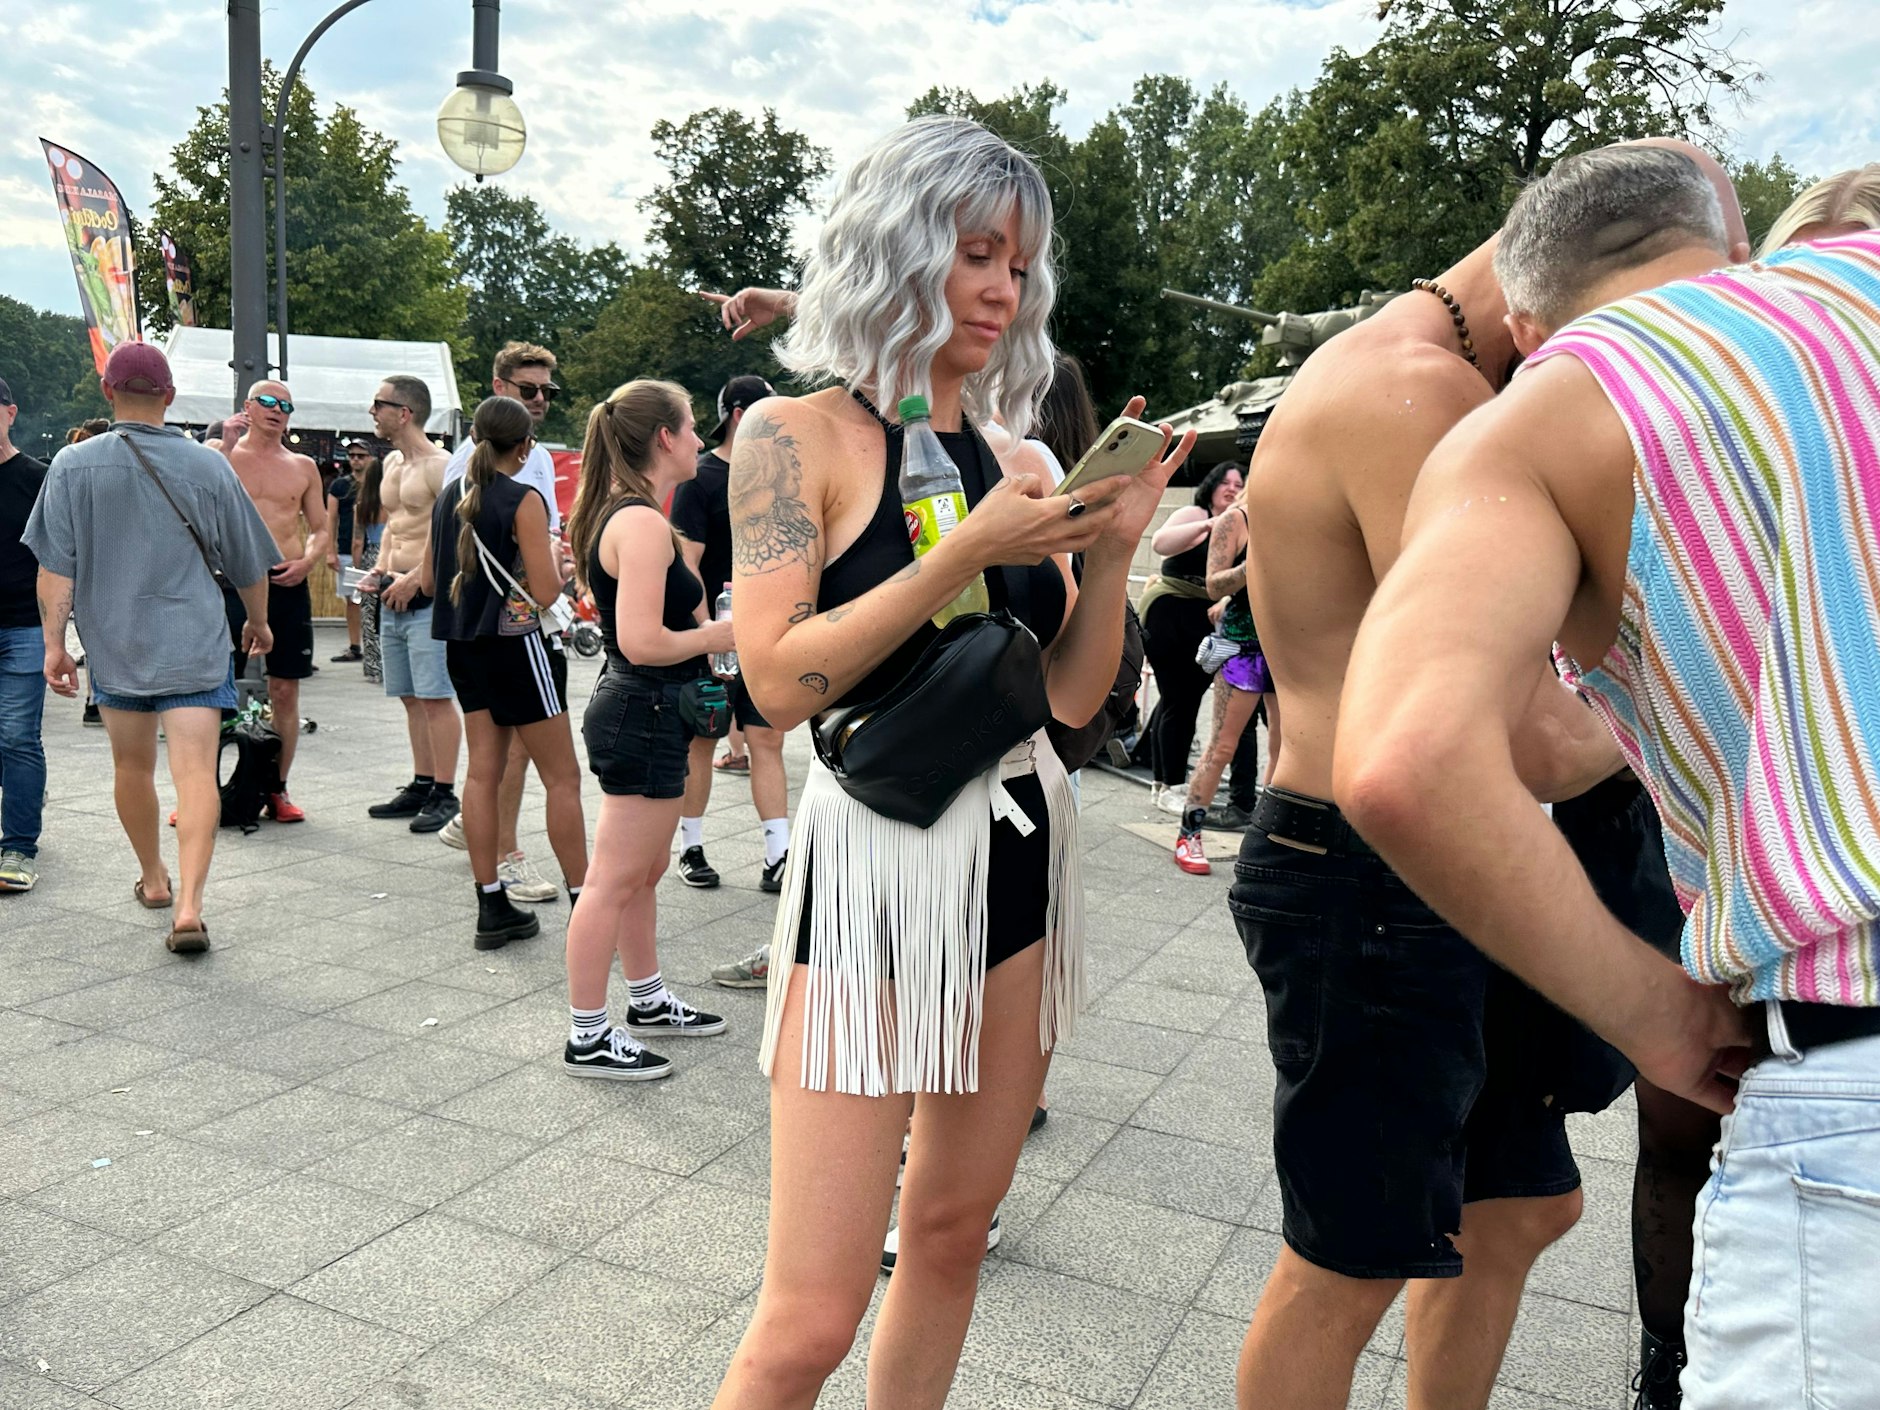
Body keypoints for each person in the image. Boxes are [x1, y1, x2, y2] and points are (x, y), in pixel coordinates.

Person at [1335, 145, 1880, 1410]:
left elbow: (1410, 757)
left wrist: (1658, 1014)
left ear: (1520, 324)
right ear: (1732, 244)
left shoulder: (1558, 406)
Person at [708, 115, 1191, 1410]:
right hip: (873, 866)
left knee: (949, 1236)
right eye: (976, 251)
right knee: (809, 1313)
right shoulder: (790, 438)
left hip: (1022, 859)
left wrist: (1105, 554)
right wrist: (965, 552)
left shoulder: (1022, 457)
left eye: (1019, 264)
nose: (1000, 288)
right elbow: (774, 675)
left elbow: (1075, 702)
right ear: (897, 248)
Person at [24, 342, 276, 950]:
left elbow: (55, 570)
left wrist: (55, 645)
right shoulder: (210, 465)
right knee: (195, 774)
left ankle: (153, 878)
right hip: (192, 640)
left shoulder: (71, 465)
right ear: (168, 396)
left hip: (117, 643)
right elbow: (248, 564)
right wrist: (260, 623)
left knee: (131, 767)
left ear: (109, 392)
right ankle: (189, 906)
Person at [562, 379, 733, 1080]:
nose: (700, 439)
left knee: (643, 871)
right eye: (692, 427)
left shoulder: (633, 515)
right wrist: (730, 631)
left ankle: (649, 999)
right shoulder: (637, 522)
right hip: (644, 705)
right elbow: (640, 641)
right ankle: (587, 1034)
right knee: (613, 879)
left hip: (648, 708)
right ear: (664, 437)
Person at [423, 395, 588, 949]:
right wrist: (558, 565)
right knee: (562, 778)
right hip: (517, 649)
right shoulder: (524, 499)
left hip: (463, 648)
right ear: (525, 446)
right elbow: (543, 592)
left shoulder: (449, 497)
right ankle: (585, 908)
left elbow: (428, 582)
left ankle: (491, 903)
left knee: (481, 773)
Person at [435, 341, 568, 904]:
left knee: (489, 765)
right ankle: (528, 867)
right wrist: (552, 570)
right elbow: (539, 583)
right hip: (511, 635)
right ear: (499, 388)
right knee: (552, 771)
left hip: (469, 637)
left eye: (547, 390)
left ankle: (489, 886)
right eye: (529, 389)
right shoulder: (478, 473)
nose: (540, 399)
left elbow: (434, 561)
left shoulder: (516, 466)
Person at [671, 373, 793, 897]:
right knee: (703, 740)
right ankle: (691, 846)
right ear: (742, 416)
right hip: (715, 631)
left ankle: (779, 855)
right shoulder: (699, 480)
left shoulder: (784, 474)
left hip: (768, 635)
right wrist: (706, 631)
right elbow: (686, 563)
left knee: (766, 740)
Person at [222, 380, 329, 820]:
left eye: (285, 404)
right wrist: (226, 447)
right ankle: (203, 790)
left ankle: (277, 789)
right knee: (213, 688)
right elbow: (205, 505)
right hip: (230, 580)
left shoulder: (302, 465)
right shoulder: (221, 454)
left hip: (286, 580)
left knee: (285, 689)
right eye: (266, 401)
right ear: (247, 407)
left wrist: (307, 562)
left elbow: (321, 527)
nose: (276, 409)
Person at [363, 375, 461, 834]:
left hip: (428, 594)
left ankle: (445, 791)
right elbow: (392, 528)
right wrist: (379, 569)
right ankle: (423, 783)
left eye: (379, 404)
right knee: (408, 695)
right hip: (392, 589)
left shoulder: (443, 465)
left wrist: (416, 581)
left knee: (435, 696)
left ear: (404, 412)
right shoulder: (390, 466)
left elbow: (450, 538)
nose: (372, 412)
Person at [1138, 462, 1243, 814]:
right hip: (1169, 610)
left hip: (1205, 619)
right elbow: (1163, 544)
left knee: (1178, 702)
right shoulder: (1193, 513)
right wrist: (1208, 524)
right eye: (1225, 482)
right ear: (1211, 486)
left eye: (1238, 484)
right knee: (1178, 699)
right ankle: (1173, 785)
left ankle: (1161, 783)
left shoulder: (1241, 527)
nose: (1231, 488)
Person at [0, 376, 49, 892]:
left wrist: (58, 635)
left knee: (17, 736)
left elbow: (58, 555)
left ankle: (18, 846)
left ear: (11, 413)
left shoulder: (38, 477)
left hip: (23, 624)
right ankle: (24, 794)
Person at [345, 442, 386, 684]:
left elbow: (357, 541)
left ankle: (373, 667)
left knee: (369, 615)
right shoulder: (392, 504)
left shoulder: (361, 506)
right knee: (390, 612)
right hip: (391, 557)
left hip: (370, 556)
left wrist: (358, 568)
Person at [326, 442, 367, 663]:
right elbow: (330, 518)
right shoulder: (340, 485)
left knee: (374, 600)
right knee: (353, 599)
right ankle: (355, 644)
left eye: (361, 455)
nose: (356, 459)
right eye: (352, 455)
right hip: (345, 548)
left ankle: (371, 644)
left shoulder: (377, 484)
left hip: (373, 547)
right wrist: (330, 550)